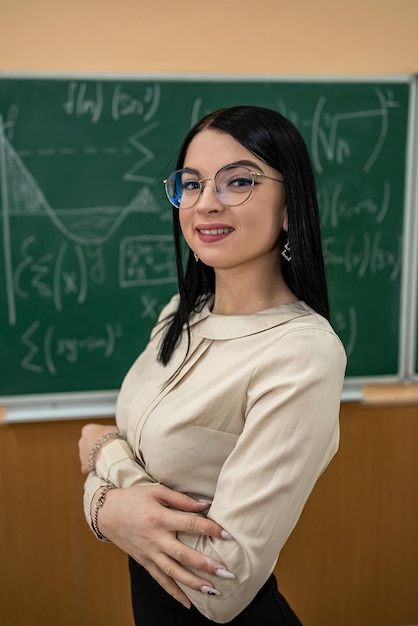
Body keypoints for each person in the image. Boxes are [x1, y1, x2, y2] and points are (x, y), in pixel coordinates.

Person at [78, 105, 346, 625]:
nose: (206, 204)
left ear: (290, 206)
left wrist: (103, 486)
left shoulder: (302, 352)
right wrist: (111, 482)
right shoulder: (180, 314)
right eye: (192, 184)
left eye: (237, 182)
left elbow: (219, 585)